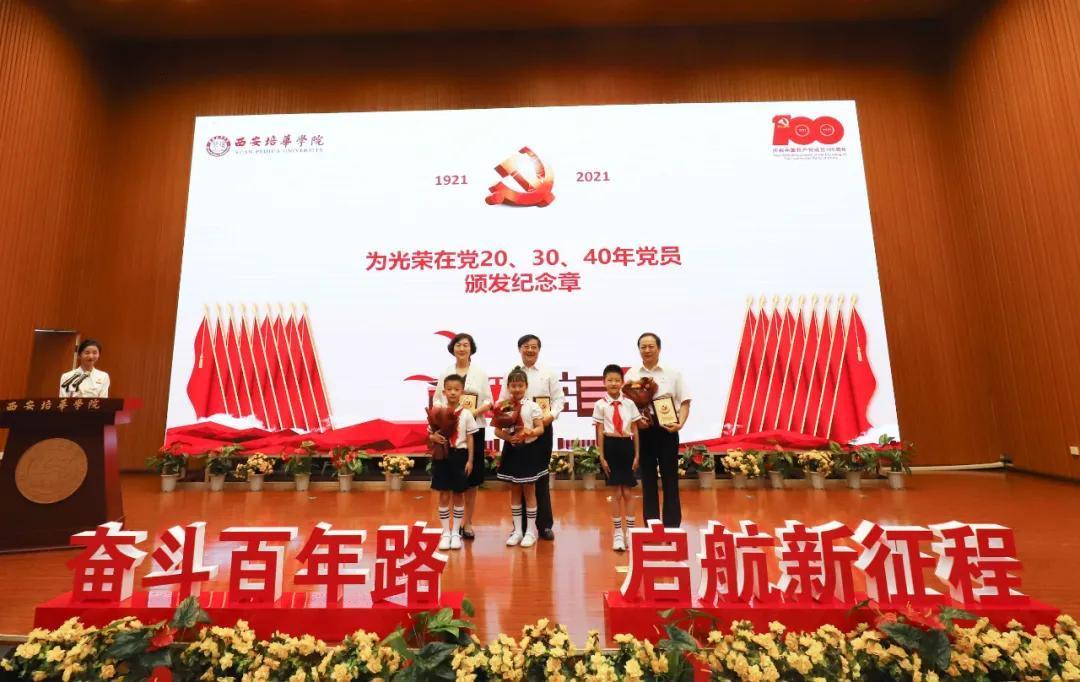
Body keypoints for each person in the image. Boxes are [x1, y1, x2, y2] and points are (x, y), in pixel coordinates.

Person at [625, 332, 691, 528]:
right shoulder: (632, 375)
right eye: (643, 347)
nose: (647, 350)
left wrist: (680, 423)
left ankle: (672, 526)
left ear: (659, 349)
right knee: (648, 479)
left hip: (667, 429)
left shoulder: (672, 373)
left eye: (651, 346)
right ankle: (651, 525)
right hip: (644, 430)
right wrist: (637, 421)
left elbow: (685, 400)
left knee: (670, 477)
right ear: (639, 350)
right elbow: (626, 405)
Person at [432, 332, 493, 540]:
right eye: (458, 345)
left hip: (474, 428)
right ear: (452, 348)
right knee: (449, 479)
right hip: (449, 430)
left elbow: (489, 401)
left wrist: (470, 413)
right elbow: (437, 400)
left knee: (471, 479)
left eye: (466, 345)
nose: (462, 348)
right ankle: (449, 527)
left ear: (471, 348)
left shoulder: (480, 373)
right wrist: (448, 415)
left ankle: (468, 523)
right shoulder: (446, 372)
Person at [503, 334, 563, 540]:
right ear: (519, 349)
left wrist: (548, 418)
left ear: (539, 349)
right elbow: (503, 401)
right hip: (516, 432)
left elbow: (559, 400)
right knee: (518, 480)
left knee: (540, 477)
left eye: (534, 347)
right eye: (526, 347)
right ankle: (519, 528)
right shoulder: (511, 374)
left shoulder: (548, 373)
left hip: (542, 429)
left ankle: (544, 525)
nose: (530, 350)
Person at [494, 366, 545, 548]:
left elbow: (541, 428)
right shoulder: (504, 406)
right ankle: (517, 531)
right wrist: (509, 438)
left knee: (529, 491)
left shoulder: (532, 406)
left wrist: (531, 432)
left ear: (526, 386)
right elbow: (497, 431)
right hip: (512, 450)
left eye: (520, 385)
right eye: (513, 386)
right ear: (508, 387)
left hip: (529, 451)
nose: (517, 389)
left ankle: (530, 531)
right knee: (515, 490)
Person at [593, 364, 641, 552]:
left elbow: (635, 429)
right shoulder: (600, 404)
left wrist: (637, 454)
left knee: (628, 492)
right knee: (616, 493)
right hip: (610, 447)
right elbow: (599, 431)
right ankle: (618, 533)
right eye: (610, 380)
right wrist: (602, 456)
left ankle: (630, 532)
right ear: (604, 382)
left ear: (622, 382)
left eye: (617, 380)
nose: (613, 383)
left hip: (626, 446)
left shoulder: (629, 404)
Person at [427, 374, 478, 551]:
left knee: (458, 494)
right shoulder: (437, 412)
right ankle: (445, 532)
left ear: (462, 392)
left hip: (460, 456)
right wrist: (434, 437)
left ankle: (456, 532)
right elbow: (430, 434)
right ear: (444, 392)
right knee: (443, 495)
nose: (453, 393)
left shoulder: (466, 414)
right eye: (449, 389)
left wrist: (470, 460)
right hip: (442, 456)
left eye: (456, 389)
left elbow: (470, 438)